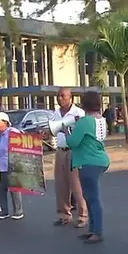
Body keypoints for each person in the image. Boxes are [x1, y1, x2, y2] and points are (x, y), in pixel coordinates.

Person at [68, 91, 110, 244]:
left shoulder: (85, 122)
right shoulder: (100, 120)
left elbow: (72, 142)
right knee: (91, 197)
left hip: (88, 162)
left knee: (93, 198)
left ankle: (97, 231)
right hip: (99, 160)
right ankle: (93, 229)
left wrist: (66, 130)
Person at [52, 87, 88, 227]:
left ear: (70, 97)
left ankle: (82, 215)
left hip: (74, 151)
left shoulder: (78, 113)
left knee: (76, 184)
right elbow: (54, 131)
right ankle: (64, 214)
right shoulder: (56, 113)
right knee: (61, 184)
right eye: (58, 96)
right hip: (60, 150)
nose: (60, 98)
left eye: (63, 96)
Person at [0, 112, 24, 220]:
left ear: (5, 122)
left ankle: (18, 211)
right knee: (1, 189)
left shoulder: (13, 133)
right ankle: (4, 211)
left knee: (14, 189)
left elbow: (20, 148)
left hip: (11, 165)